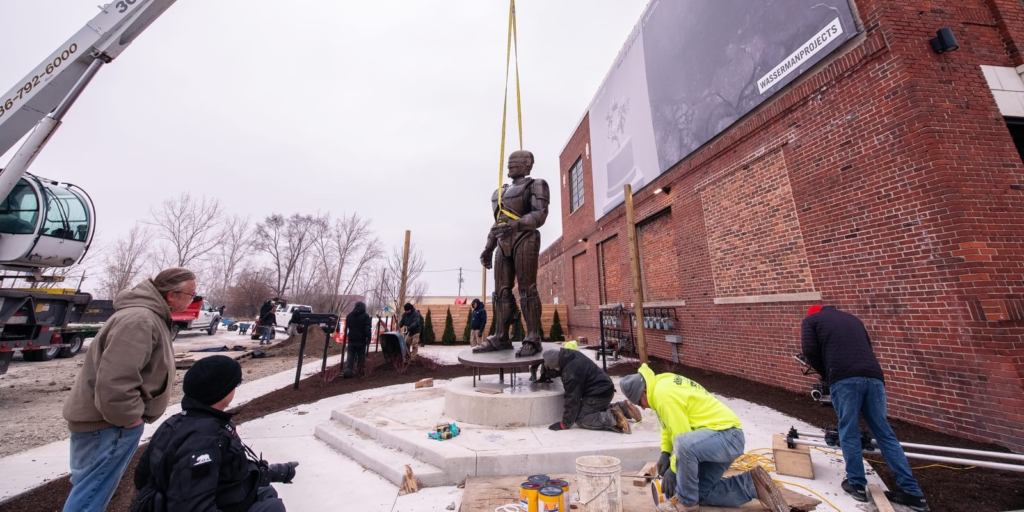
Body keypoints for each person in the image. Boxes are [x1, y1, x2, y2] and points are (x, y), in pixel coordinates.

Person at [62, 267, 197, 512]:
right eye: (191, 294)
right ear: (172, 295)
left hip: (107, 424)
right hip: (108, 425)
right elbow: (116, 381)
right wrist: (130, 419)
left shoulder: (147, 317)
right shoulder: (141, 320)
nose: (193, 300)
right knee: (89, 497)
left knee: (89, 491)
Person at [801, 305, 929, 511]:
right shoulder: (853, 320)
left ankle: (856, 484)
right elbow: (866, 346)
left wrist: (826, 374)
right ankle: (912, 492)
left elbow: (809, 350)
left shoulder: (811, 320)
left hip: (845, 379)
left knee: (848, 429)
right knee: (884, 432)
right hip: (874, 377)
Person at [131, 356, 297, 511]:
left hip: (221, 497)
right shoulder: (205, 439)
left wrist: (275, 472)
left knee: (265, 492)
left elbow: (142, 477)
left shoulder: (174, 423)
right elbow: (193, 507)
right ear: (223, 392)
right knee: (272, 507)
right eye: (235, 384)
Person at [620, 365, 787, 512]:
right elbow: (667, 425)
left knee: (683, 447)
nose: (643, 407)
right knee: (699, 492)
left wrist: (673, 470)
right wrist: (665, 452)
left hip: (726, 436)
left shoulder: (663, 394)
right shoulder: (660, 385)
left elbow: (681, 435)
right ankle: (751, 484)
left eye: (640, 402)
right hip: (715, 441)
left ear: (644, 391)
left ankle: (686, 504)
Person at [476, 149, 550, 357]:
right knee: (501, 292)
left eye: (516, 161)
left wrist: (517, 225)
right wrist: (489, 246)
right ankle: (501, 336)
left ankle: (533, 337)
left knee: (527, 289)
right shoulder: (502, 192)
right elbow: (498, 221)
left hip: (525, 238)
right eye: (509, 162)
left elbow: (540, 214)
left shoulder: (536, 185)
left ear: (527, 165)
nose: (510, 164)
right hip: (503, 242)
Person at [541, 349, 639, 434]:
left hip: (598, 394)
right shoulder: (570, 355)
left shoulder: (571, 375)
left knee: (581, 417)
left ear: (555, 365)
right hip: (605, 388)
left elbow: (572, 400)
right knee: (593, 409)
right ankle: (624, 408)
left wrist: (565, 423)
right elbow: (568, 369)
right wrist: (552, 373)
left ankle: (614, 418)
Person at [344, 302, 372, 378]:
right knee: (361, 355)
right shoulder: (365, 316)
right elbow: (367, 328)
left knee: (350, 354)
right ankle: (360, 370)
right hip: (361, 339)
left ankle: (349, 370)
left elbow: (348, 327)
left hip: (351, 338)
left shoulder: (349, 316)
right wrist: (369, 338)